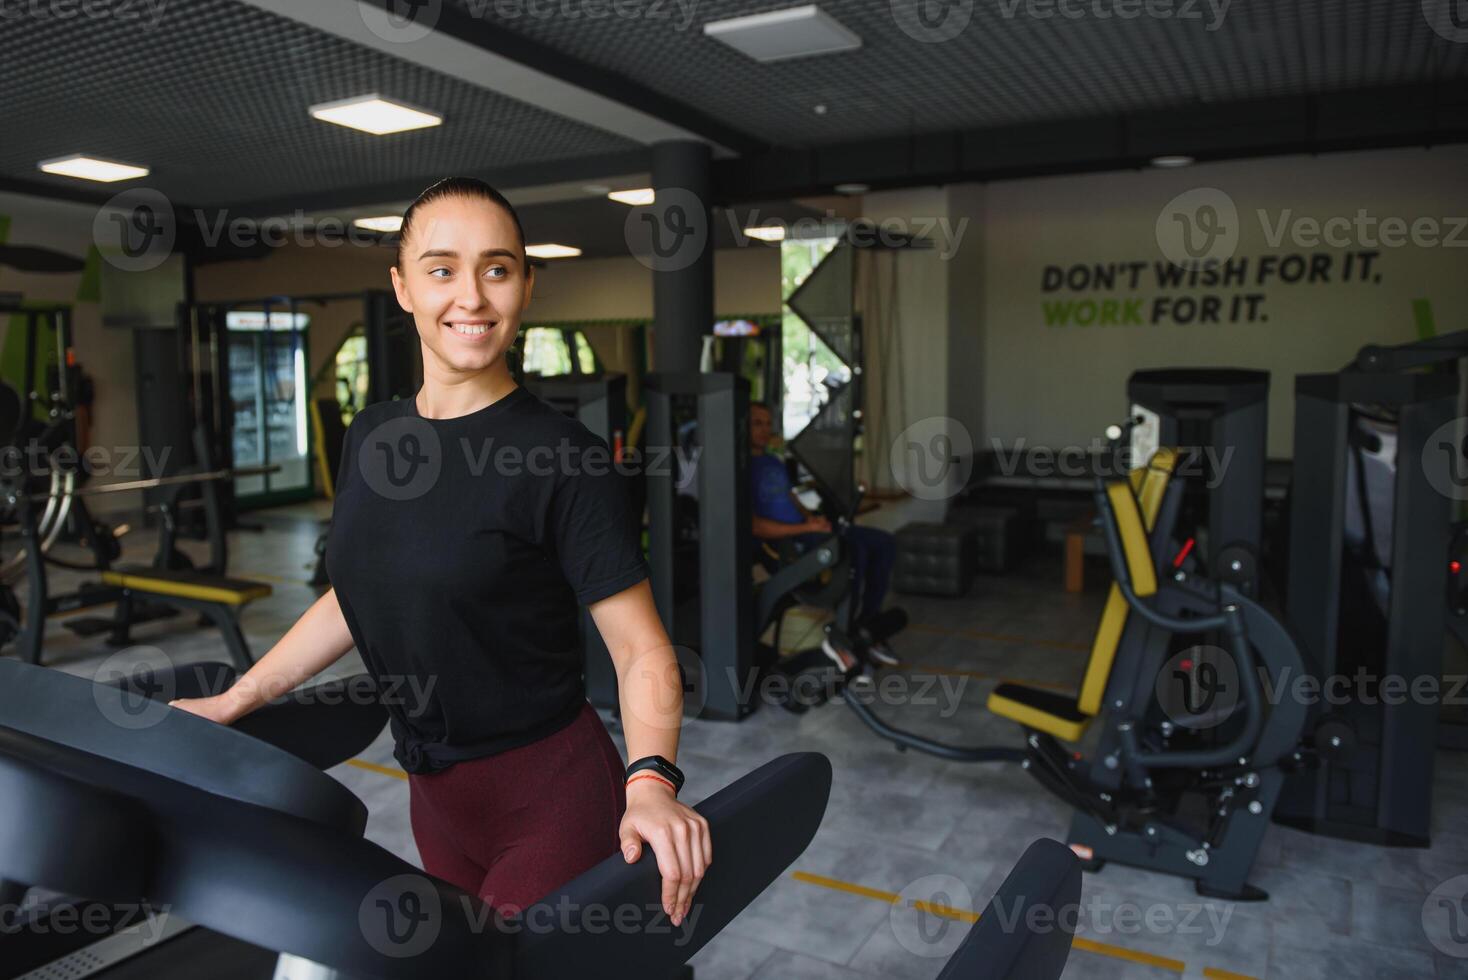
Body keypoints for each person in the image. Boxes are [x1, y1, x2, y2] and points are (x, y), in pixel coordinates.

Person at [170, 177, 709, 927]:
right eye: (442, 268)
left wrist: (651, 780)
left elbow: (641, 650)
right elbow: (357, 596)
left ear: (525, 283)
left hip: (550, 794)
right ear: (402, 287)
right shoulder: (372, 436)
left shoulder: (563, 458)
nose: (473, 297)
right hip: (436, 801)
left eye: (496, 268)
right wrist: (240, 696)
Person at [747, 401, 899, 670]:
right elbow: (756, 527)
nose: (764, 429)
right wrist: (806, 528)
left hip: (806, 531)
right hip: (785, 546)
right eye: (756, 423)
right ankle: (843, 635)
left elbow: (790, 498)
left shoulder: (772, 461)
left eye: (767, 423)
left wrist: (810, 517)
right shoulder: (740, 468)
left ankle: (865, 626)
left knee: (884, 543)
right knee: (855, 551)